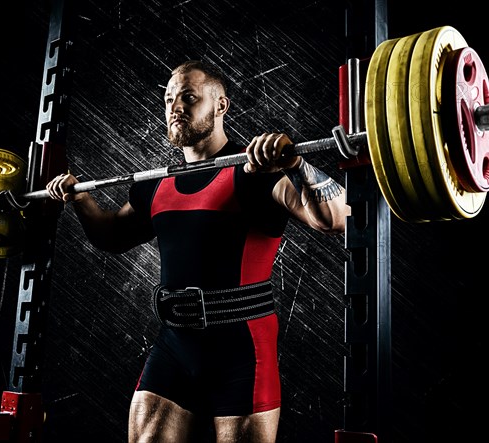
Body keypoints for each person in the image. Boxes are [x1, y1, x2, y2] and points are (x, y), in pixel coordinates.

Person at [46, 60, 350, 443]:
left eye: (188, 97)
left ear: (220, 105)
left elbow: (336, 218)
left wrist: (296, 164)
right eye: (169, 99)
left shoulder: (256, 171)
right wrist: (80, 198)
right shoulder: (156, 183)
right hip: (175, 345)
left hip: (242, 350)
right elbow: (111, 236)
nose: (175, 107)